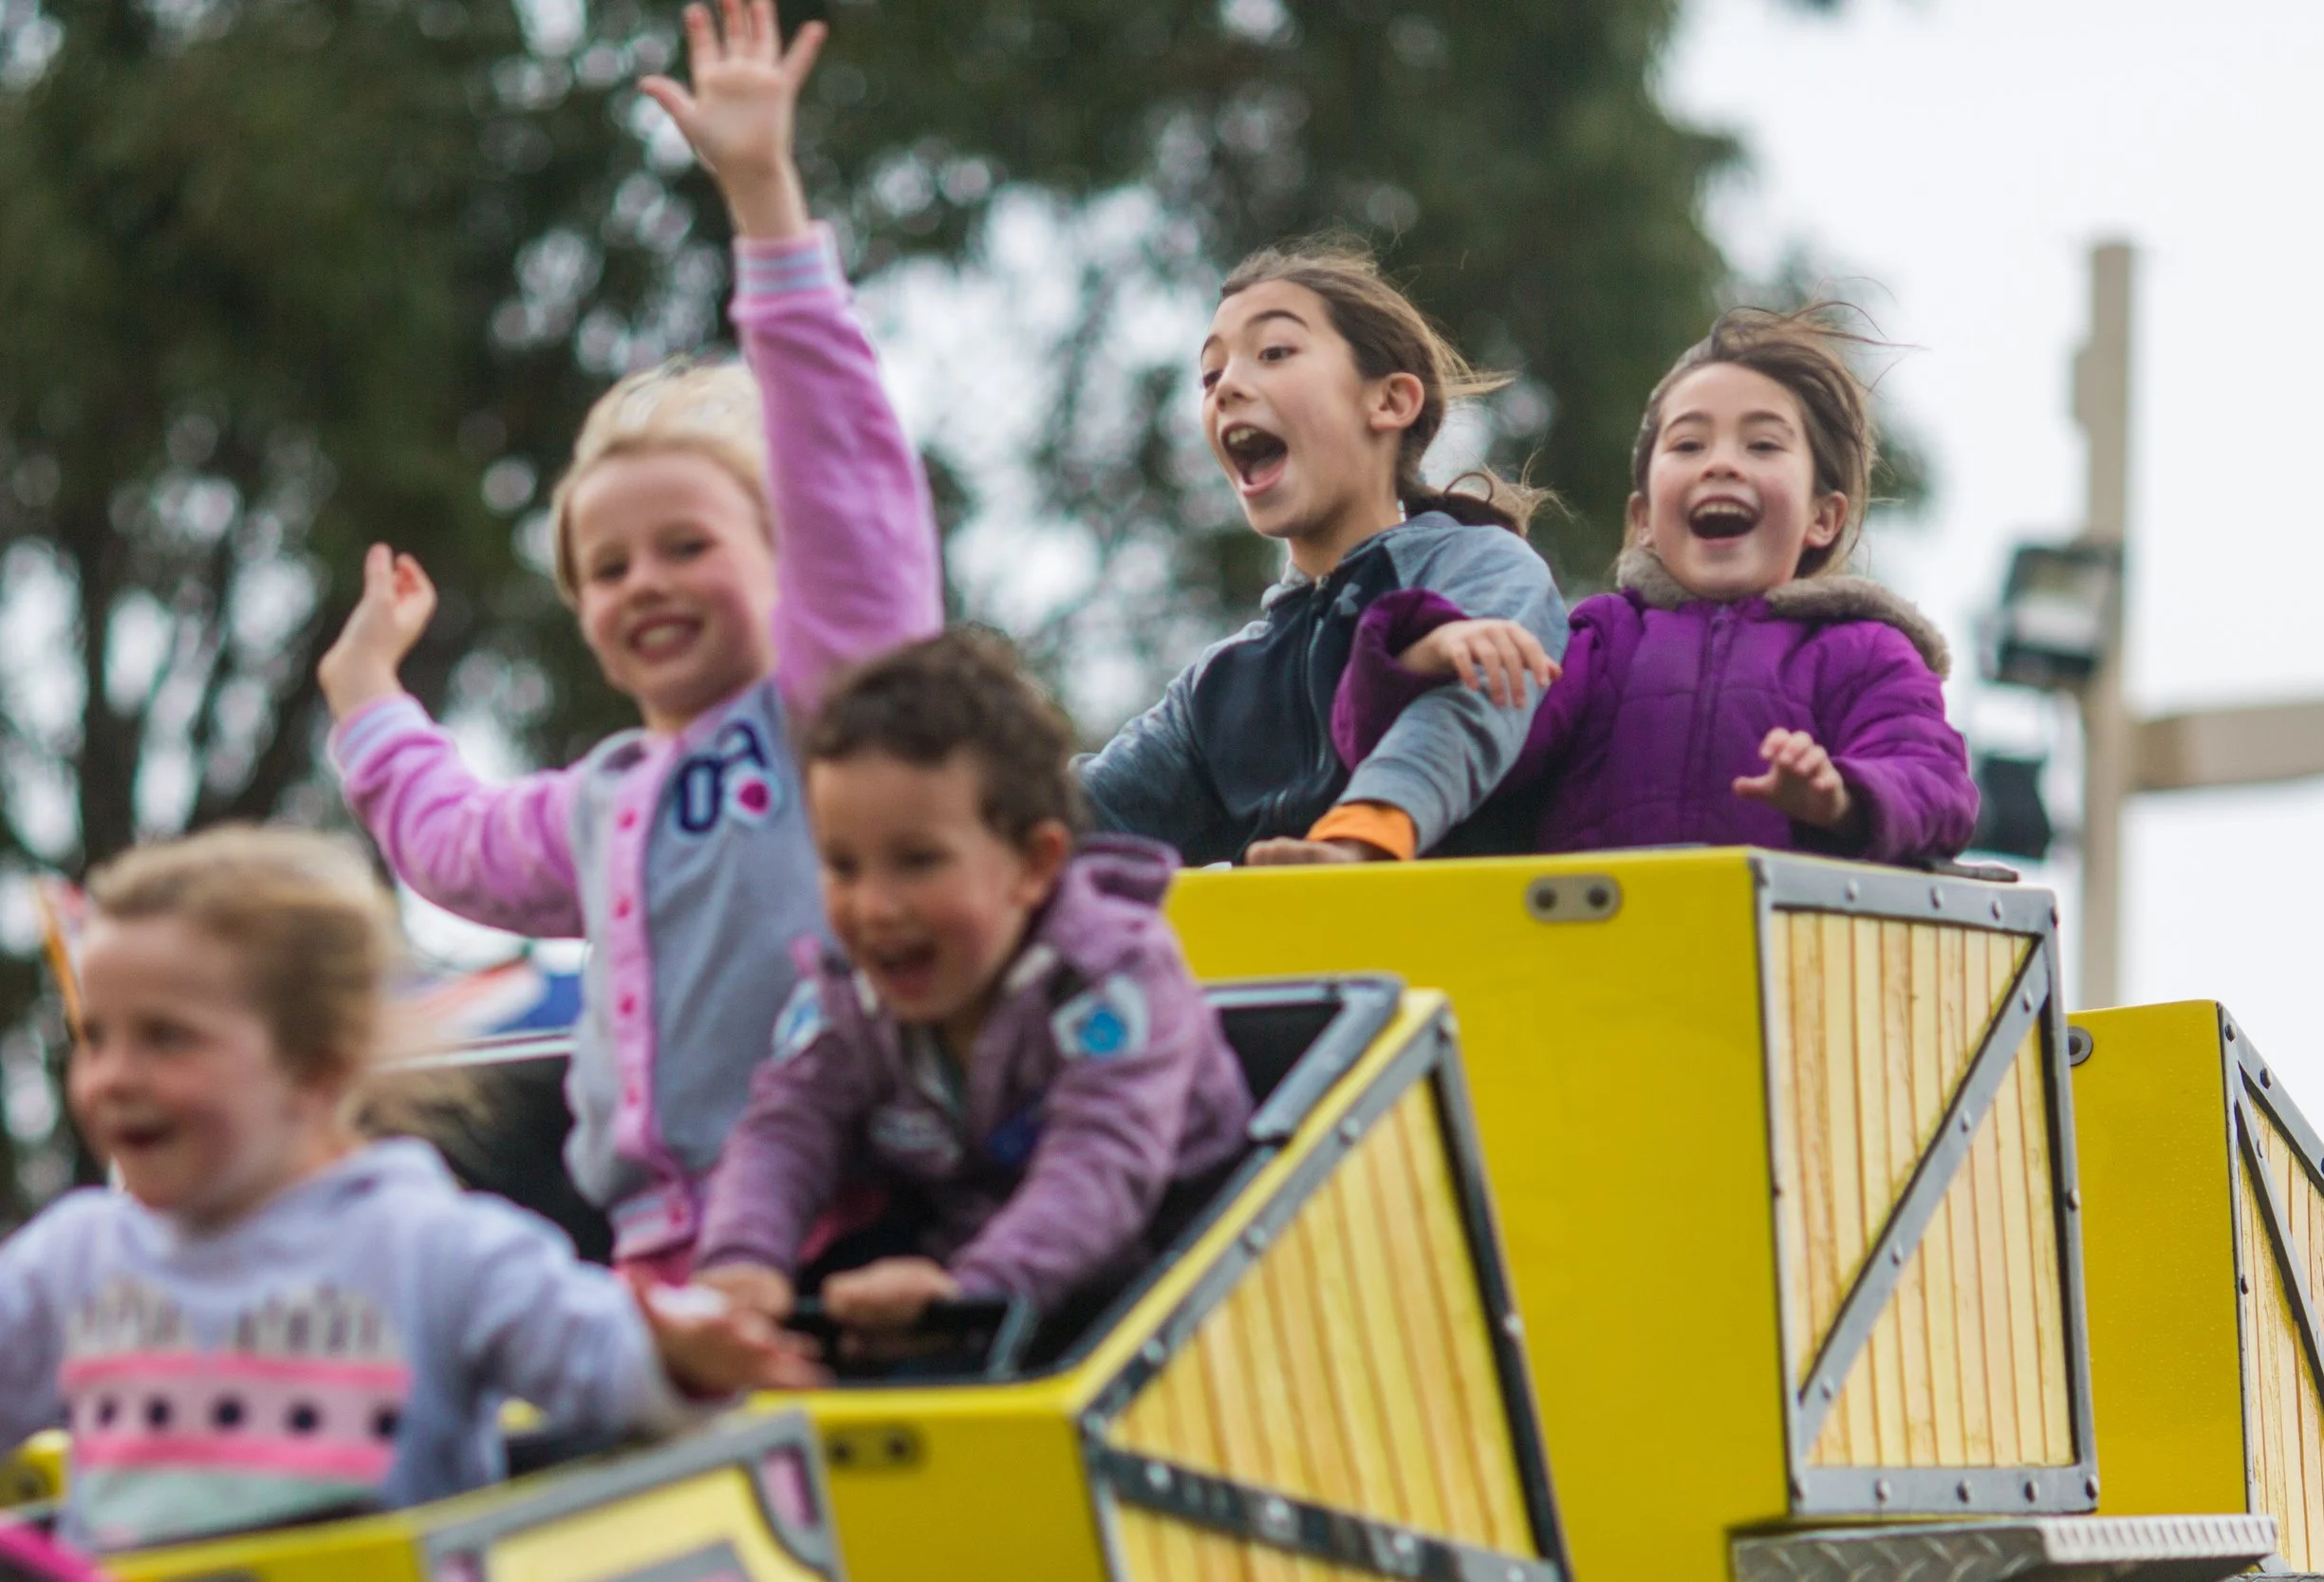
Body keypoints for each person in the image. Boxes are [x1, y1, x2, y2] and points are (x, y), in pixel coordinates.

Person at [317, 0, 940, 1280]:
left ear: (786, 564)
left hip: (848, 1221)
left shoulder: (836, 716)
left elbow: (848, 480)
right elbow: (458, 847)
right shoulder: (606, 800)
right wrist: (371, 697)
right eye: (606, 567)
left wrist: (762, 195)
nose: (644, 582)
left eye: (687, 544)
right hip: (654, 1249)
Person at [0, 828, 818, 1555]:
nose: (112, 1078)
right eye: (95, 1038)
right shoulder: (75, 1256)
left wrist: (680, 1358)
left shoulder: (429, 1243)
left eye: (165, 1038)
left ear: (315, 1066)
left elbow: (602, 1359)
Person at [695, 632, 1250, 1338]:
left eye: (917, 861)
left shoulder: (1116, 977)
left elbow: (1102, 1163)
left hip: (1192, 1281)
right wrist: (745, 1259)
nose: (874, 906)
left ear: (1034, 864)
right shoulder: (848, 992)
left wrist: (975, 1290)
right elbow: (786, 1125)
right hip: (991, 1282)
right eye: (843, 865)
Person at [1331, 306, 1980, 864]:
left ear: (1822, 518)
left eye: (1762, 445)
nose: (1722, 462)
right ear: (1643, 520)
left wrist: (1840, 796)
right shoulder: (1600, 642)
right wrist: (1420, 656)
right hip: (1597, 969)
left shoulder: (1867, 653)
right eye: (1690, 444)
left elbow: (1934, 779)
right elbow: (1478, 749)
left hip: (1781, 977)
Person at [1076, 243, 1568, 867]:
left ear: (1389, 401)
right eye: (1210, 375)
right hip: (1291, 963)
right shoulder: (1217, 685)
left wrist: (1360, 838)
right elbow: (1087, 817)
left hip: (1458, 954)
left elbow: (1464, 713)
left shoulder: (1482, 569)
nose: (1226, 388)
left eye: (1274, 351)